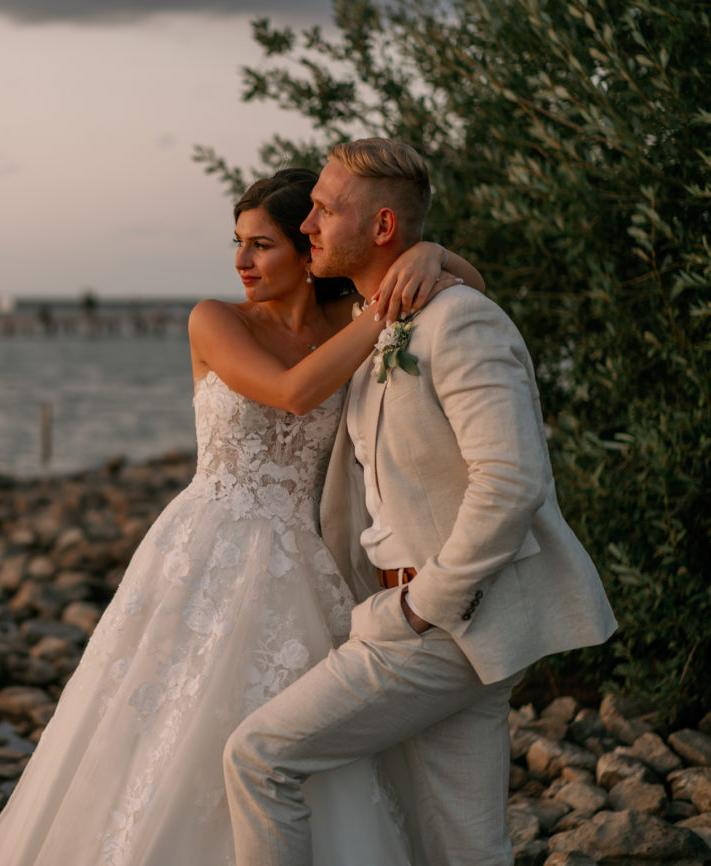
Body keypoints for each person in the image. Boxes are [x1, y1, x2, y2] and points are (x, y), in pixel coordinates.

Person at [0, 167, 483, 866]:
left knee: (295, 737)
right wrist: (384, 307)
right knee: (163, 729)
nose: (241, 262)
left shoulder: (346, 324)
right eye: (237, 244)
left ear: (312, 246)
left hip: (305, 557)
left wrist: (431, 256)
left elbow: (472, 297)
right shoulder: (215, 319)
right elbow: (293, 392)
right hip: (203, 550)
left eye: (262, 245)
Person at [223, 139, 617, 865]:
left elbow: (513, 481)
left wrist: (421, 606)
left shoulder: (459, 320)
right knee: (463, 848)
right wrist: (430, 252)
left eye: (323, 210)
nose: (307, 224)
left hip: (438, 620)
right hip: (448, 622)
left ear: (380, 229)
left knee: (259, 758)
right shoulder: (377, 319)